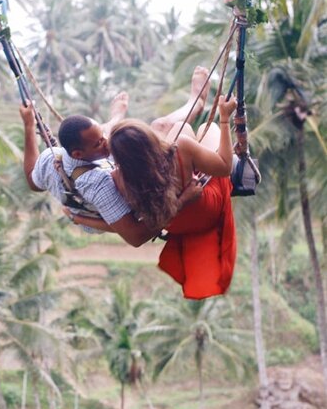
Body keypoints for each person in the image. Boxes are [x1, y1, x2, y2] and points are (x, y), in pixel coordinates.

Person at [69, 95, 238, 299]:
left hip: (176, 224)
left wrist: (79, 218)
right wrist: (225, 118)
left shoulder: (118, 179)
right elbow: (225, 168)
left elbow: (129, 224)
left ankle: (193, 144)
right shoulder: (180, 148)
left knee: (180, 128)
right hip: (205, 208)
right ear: (149, 137)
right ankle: (195, 156)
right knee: (205, 129)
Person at [20, 67, 211, 247]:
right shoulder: (100, 185)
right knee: (160, 127)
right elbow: (135, 237)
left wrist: (28, 125)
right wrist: (184, 199)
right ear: (78, 154)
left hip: (93, 189)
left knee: (153, 127)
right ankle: (197, 102)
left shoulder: (50, 158)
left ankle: (192, 103)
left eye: (102, 136)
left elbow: (31, 179)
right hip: (119, 210)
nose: (106, 142)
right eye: (98, 143)